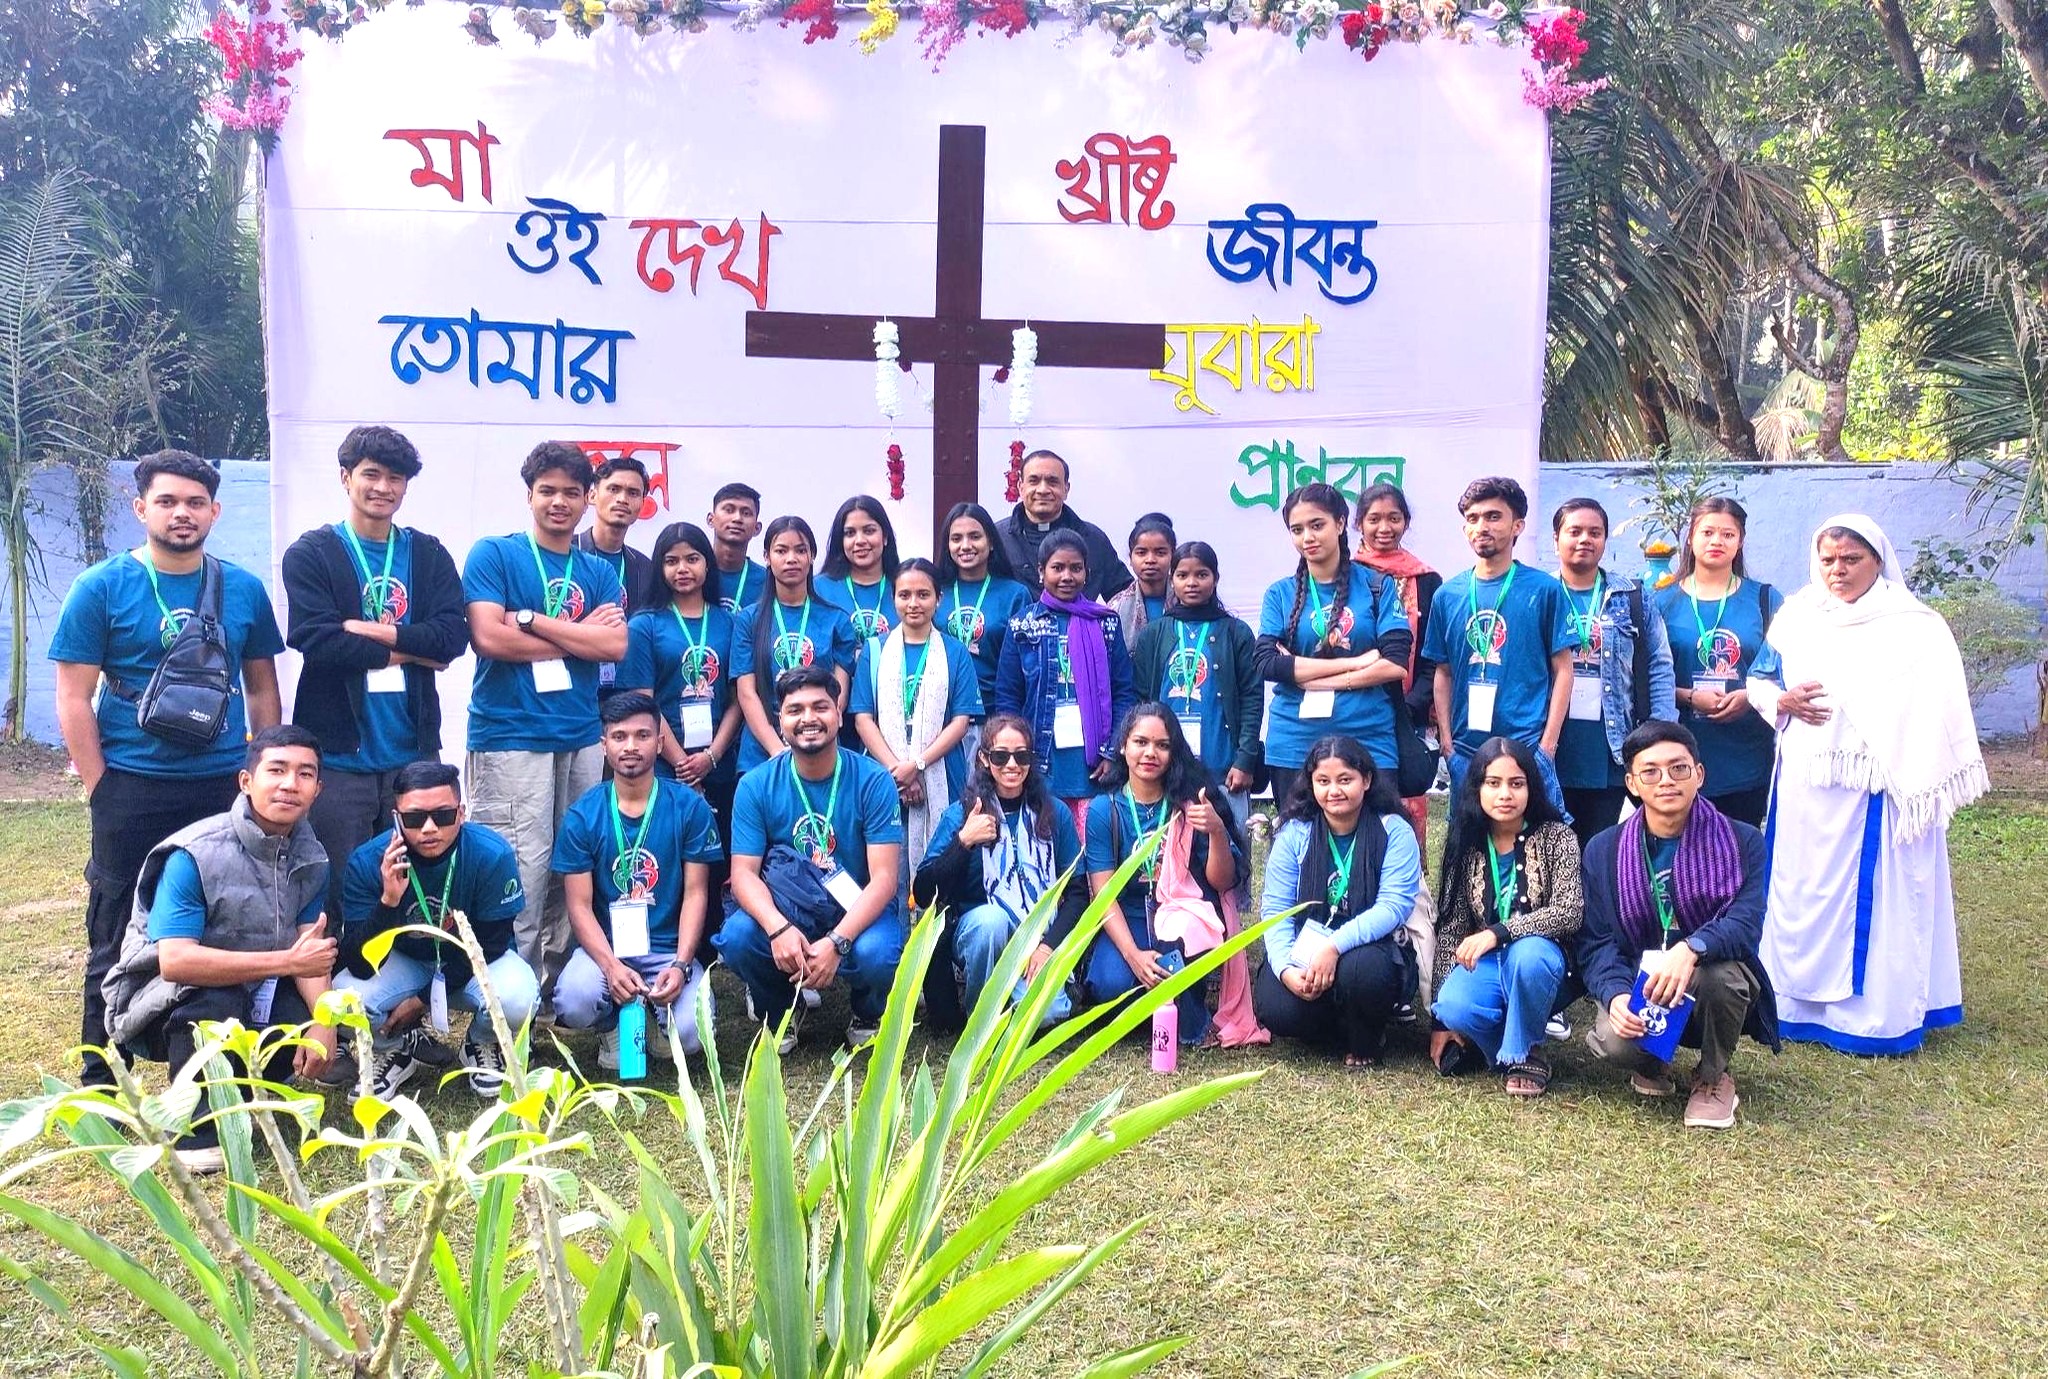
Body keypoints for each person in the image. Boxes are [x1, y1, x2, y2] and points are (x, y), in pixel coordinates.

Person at [51, 449, 286, 1087]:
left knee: (220, 920)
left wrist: (257, 775)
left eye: (194, 502)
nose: (181, 514)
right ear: (141, 508)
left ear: (214, 509)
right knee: (115, 924)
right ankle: (103, 1072)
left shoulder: (241, 588)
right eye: (167, 501)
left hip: (218, 782)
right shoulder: (100, 586)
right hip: (130, 782)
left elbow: (262, 688)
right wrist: (101, 785)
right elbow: (74, 695)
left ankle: (210, 1067)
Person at [1750, 515, 1986, 1056]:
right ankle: (1791, 1004)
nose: (1838, 570)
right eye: (1829, 559)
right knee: (1798, 889)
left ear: (1878, 560)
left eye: (1850, 560)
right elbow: (1760, 679)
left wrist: (1904, 754)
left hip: (1882, 787)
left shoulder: (1914, 625)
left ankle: (1875, 1017)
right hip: (1807, 783)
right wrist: (1776, 701)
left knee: (1877, 898)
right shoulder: (1797, 616)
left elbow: (1938, 705)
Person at [100, 727, 336, 1173]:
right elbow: (176, 962)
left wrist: (324, 1021)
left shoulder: (312, 855)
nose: (290, 784)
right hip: (166, 999)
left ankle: (245, 1092)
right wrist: (287, 962)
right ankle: (198, 1129)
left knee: (310, 1013)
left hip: (257, 986)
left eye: (305, 774)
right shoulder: (194, 854)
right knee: (214, 1006)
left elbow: (310, 951)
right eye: (277, 770)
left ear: (318, 789)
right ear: (246, 781)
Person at [283, 425, 468, 967]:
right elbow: (316, 639)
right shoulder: (313, 553)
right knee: (341, 883)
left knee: (417, 882)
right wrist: (417, 645)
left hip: (414, 758)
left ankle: (404, 1002)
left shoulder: (427, 554)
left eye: (395, 477)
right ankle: (341, 1002)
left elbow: (452, 639)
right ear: (346, 478)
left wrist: (370, 631)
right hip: (339, 757)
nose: (382, 487)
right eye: (371, 474)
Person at [460, 442, 628, 994]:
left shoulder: (599, 570)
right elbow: (488, 637)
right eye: (547, 490)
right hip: (511, 734)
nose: (559, 502)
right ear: (529, 495)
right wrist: (581, 637)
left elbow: (615, 646)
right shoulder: (495, 554)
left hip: (580, 737)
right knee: (520, 867)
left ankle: (556, 987)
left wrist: (529, 620)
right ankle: (513, 988)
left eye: (571, 493)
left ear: (587, 501)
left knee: (570, 863)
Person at [1579, 722, 1777, 1128]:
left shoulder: (1742, 841)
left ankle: (1712, 1077)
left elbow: (1745, 923)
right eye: (1650, 771)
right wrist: (1616, 996)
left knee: (1723, 978)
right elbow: (1597, 941)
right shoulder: (1604, 850)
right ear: (1632, 783)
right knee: (1616, 1043)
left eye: (1678, 768)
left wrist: (1691, 949)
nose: (1666, 780)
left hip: (1707, 975)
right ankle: (1652, 1062)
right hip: (1641, 981)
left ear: (1698, 774)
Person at [718, 664, 906, 1051]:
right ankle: (780, 1009)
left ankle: (868, 1011)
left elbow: (885, 878)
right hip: (791, 910)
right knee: (738, 937)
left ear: (839, 714)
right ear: (780, 721)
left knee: (878, 953)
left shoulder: (873, 780)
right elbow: (743, 875)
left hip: (855, 909)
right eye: (795, 710)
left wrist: (837, 941)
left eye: (820, 707)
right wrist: (778, 929)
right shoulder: (756, 785)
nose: (808, 719)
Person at [334, 761, 537, 1099]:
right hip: (405, 959)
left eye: (442, 815)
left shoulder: (491, 854)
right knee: (344, 999)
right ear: (396, 817)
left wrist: (422, 1000)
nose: (429, 828)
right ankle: (392, 1047)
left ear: (461, 813)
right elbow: (357, 962)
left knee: (519, 999)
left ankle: (482, 1042)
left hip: (472, 960)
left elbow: (492, 943)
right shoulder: (368, 860)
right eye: (414, 819)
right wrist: (387, 900)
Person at [552, 693, 725, 1063]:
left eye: (642, 735)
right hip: (607, 950)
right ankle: (612, 1027)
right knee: (574, 1000)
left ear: (661, 742)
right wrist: (611, 966)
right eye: (619, 737)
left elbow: (697, 894)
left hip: (668, 950)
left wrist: (680, 964)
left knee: (695, 1036)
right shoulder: (583, 815)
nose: (630, 746)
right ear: (604, 745)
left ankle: (661, 1019)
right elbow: (578, 906)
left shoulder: (689, 807)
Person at [1082, 705, 1247, 1043]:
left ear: (1174, 753)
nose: (1150, 753)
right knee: (1108, 987)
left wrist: (1216, 830)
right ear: (1123, 747)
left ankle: (1182, 1011)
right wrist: (1133, 955)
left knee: (1179, 939)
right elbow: (1103, 895)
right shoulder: (1104, 809)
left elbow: (1222, 882)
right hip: (1128, 916)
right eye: (1140, 742)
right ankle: (1152, 993)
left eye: (1162, 745)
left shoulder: (1191, 804)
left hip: (1182, 912)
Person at [910, 714, 1085, 1030]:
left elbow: (1077, 892)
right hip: (980, 934)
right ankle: (982, 1019)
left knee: (1049, 1014)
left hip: (1038, 940)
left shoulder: (1054, 813)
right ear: (984, 759)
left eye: (1022, 755)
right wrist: (963, 842)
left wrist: (1047, 946)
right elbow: (923, 892)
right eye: (1000, 756)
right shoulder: (962, 813)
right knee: (991, 922)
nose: (1012, 765)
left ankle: (1021, 999)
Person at [1255, 734, 1422, 1066]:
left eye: (1345, 779)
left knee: (1361, 972)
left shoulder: (1394, 831)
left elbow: (1393, 906)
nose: (1334, 791)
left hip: (1371, 949)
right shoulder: (1295, 833)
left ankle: (1367, 1036)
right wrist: (1287, 968)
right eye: (1323, 781)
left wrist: (1332, 948)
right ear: (1312, 784)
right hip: (1306, 947)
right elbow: (1276, 910)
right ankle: (1337, 1026)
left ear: (1367, 780)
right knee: (1278, 1007)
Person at [1429, 736, 1583, 1096]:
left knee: (1527, 955)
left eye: (1516, 783)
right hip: (1488, 963)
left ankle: (1525, 1050)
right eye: (1493, 783)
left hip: (1547, 963)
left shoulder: (1557, 837)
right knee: (1453, 1006)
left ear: (1532, 787)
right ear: (1476, 789)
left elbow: (1569, 912)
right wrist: (1438, 1022)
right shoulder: (1465, 840)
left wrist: (1497, 932)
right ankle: (1512, 1049)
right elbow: (1451, 929)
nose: (1505, 794)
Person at [1423, 477, 1574, 815]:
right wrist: (1448, 745)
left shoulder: (1544, 590)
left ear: (1517, 525)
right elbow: (1443, 673)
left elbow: (1563, 669)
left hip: (1527, 748)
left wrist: (1547, 746)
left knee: (1538, 851)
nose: (1481, 527)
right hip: (1466, 751)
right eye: (1473, 519)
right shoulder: (1448, 595)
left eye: (1493, 517)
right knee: (1469, 855)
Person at [1254, 483, 1409, 809]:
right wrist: (1356, 663)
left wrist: (1305, 673)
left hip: (1369, 739)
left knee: (1372, 850)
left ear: (1340, 524)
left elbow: (1395, 662)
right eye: (1297, 530)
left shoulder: (1377, 586)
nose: (1307, 537)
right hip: (1295, 743)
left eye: (1316, 525)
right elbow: (1268, 664)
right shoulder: (1279, 594)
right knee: (1299, 851)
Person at [1550, 498, 1678, 846]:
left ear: (1605, 540)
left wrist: (1661, 731)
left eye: (1595, 532)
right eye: (1574, 531)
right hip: (1552, 744)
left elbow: (1659, 664)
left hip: (1612, 745)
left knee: (1602, 849)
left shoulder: (1631, 596)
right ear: (1556, 538)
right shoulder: (1540, 594)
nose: (1584, 540)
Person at [993, 530, 1139, 835]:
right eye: (1057, 568)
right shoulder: (1023, 624)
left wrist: (1113, 751)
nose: (1067, 576)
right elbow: (1007, 696)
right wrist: (1018, 755)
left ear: (1087, 572)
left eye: (1075, 568)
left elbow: (1124, 692)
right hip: (1040, 759)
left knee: (1091, 850)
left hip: (1094, 762)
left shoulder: (1105, 622)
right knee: (1047, 845)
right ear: (1041, 571)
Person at [1654, 498, 1783, 827]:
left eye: (1727, 534)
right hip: (1678, 759)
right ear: (1690, 537)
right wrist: (1688, 696)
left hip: (1747, 759)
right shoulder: (1660, 602)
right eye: (1707, 532)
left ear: (1740, 541)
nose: (1716, 541)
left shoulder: (1765, 599)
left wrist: (1749, 697)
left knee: (1739, 857)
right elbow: (1642, 678)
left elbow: (1786, 671)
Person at [851, 559, 983, 875]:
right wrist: (898, 771)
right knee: (886, 866)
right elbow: (863, 718)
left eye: (923, 594)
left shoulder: (955, 652)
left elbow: (961, 721)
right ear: (893, 598)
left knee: (939, 860)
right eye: (904, 594)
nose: (913, 603)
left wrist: (918, 765)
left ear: (939, 599)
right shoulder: (874, 650)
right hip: (884, 775)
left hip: (941, 772)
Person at [1130, 541, 1261, 822]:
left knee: (1227, 853)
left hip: (1223, 768)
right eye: (1182, 575)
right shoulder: (1154, 633)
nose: (1192, 583)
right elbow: (1139, 700)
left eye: (1201, 575)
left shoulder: (1235, 633)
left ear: (1215, 579)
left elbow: (1252, 699)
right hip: (1166, 769)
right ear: (1171, 579)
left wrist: (1245, 759)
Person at [732, 515, 859, 774]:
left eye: (800, 550)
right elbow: (746, 693)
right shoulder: (748, 619)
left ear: (812, 556)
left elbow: (839, 694)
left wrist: (807, 744)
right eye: (781, 550)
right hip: (761, 754)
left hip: (819, 749)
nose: (791, 559)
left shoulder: (836, 619)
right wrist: (777, 749)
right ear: (767, 557)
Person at [1353, 482, 1443, 845]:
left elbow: (1433, 655)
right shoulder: (1346, 575)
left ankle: (1407, 895)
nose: (1384, 528)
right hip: (1354, 709)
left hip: (1409, 714)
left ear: (1407, 522)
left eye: (1394, 518)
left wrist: (1409, 707)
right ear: (1359, 523)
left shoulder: (1427, 581)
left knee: (1403, 810)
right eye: (1374, 519)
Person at [621, 522, 742, 790]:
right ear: (660, 568)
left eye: (692, 559)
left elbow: (738, 699)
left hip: (721, 765)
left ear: (707, 564)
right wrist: (683, 765)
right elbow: (643, 702)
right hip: (664, 766)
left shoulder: (730, 623)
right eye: (671, 561)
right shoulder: (643, 625)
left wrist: (712, 756)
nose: (683, 569)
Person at [995, 449, 1133, 600]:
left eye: (1052, 481)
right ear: (1021, 487)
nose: (1042, 490)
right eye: (1034, 481)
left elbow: (1125, 596)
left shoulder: (1093, 539)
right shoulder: (997, 538)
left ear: (1066, 489)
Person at [934, 501, 1030, 716]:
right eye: (956, 539)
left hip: (997, 715)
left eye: (975, 537)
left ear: (992, 543)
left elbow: (1023, 665)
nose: (965, 545)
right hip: (942, 715)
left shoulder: (1015, 594)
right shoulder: (935, 591)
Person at [575, 454, 662, 622]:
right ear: (591, 496)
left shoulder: (646, 569)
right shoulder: (564, 551)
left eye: (633, 493)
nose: (622, 499)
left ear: (642, 503)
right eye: (613, 489)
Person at [817, 494, 900, 643]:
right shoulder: (819, 589)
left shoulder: (905, 586)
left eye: (869, 531)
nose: (860, 541)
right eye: (850, 533)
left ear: (885, 537)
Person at [1108, 512, 1176, 643]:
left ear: (1173, 556)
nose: (1150, 560)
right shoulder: (1115, 608)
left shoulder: (1188, 602)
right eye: (1141, 553)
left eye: (1160, 553)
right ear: (1130, 558)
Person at [706, 482, 768, 614]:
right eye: (729, 510)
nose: (737, 518)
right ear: (711, 520)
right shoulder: (693, 574)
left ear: (757, 528)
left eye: (746, 513)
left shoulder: (768, 581)